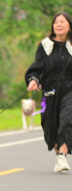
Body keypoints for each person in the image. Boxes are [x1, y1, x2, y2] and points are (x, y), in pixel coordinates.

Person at [25, 12, 72, 173]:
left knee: (66, 120)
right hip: (50, 91)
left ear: (69, 25)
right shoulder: (45, 46)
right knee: (51, 124)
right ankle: (59, 156)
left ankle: (62, 156)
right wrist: (33, 80)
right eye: (56, 22)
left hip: (70, 89)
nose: (58, 24)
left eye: (62, 21)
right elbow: (37, 67)